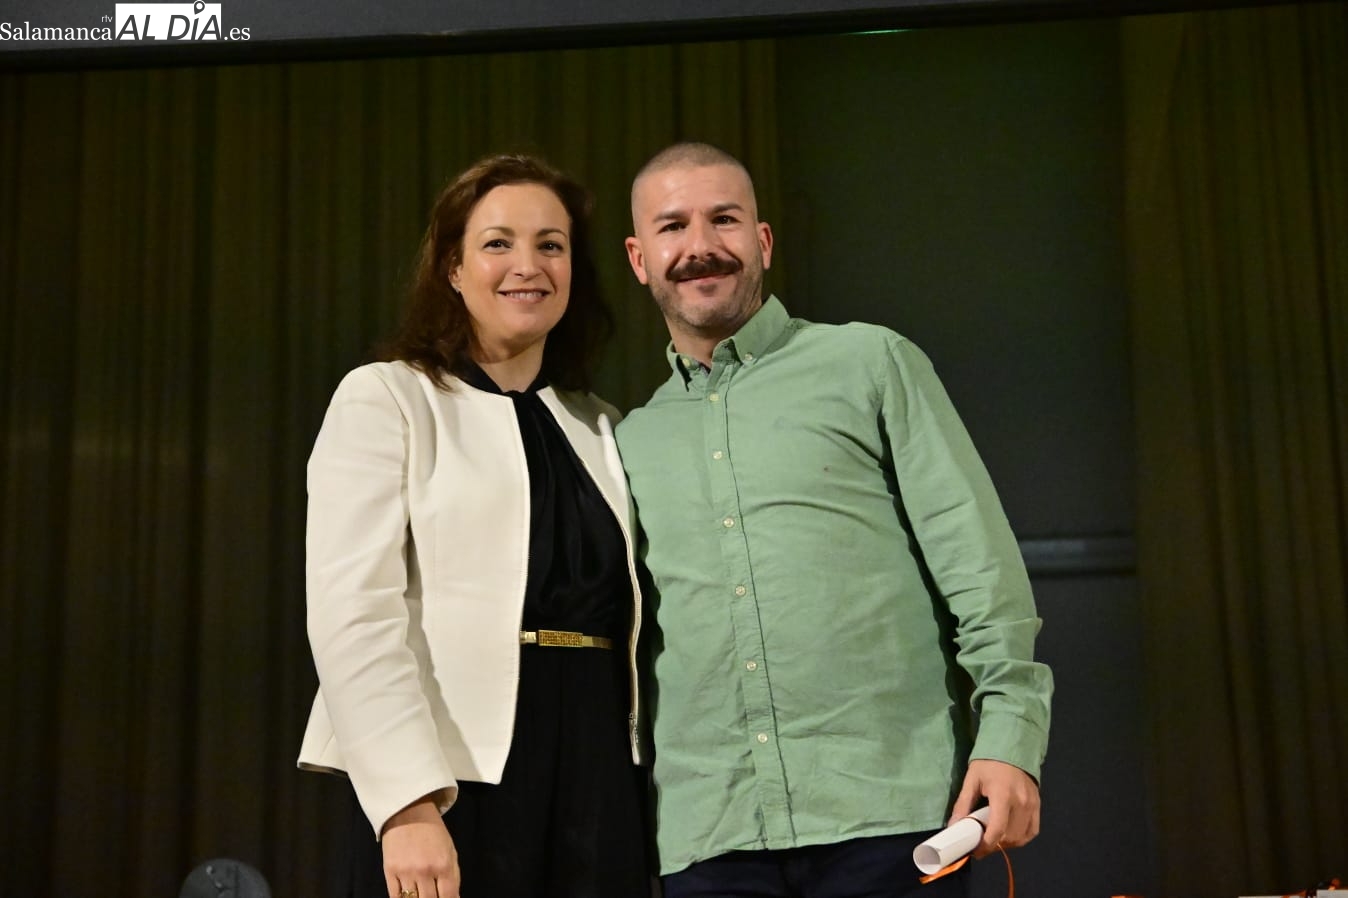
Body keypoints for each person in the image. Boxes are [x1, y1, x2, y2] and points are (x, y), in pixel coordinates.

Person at [616, 142, 1053, 898]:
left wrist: (1011, 738)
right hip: (710, 836)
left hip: (889, 815)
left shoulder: (871, 363)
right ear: (639, 258)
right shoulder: (627, 440)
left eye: (725, 219)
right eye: (673, 226)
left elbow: (980, 568)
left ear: (763, 241)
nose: (700, 245)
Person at [297, 154, 650, 898]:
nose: (528, 265)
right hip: (455, 776)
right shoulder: (388, 398)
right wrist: (407, 802)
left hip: (597, 773)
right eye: (498, 243)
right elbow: (352, 613)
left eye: (551, 244)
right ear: (453, 269)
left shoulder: (604, 427)